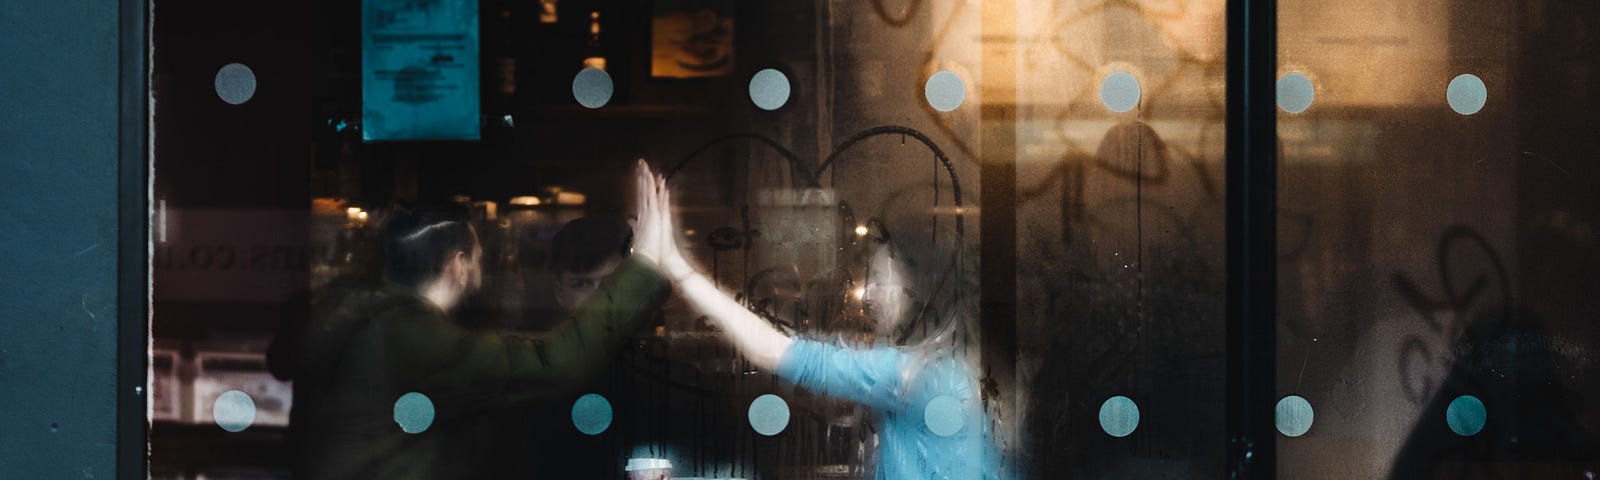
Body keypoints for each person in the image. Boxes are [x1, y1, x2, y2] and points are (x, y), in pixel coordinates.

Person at [629, 161, 1006, 479]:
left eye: (879, 280)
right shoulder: (951, 367)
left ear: (919, 290)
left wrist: (675, 266)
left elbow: (779, 353)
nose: (868, 295)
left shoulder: (910, 374)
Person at [284, 195, 672, 480]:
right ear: (459, 264)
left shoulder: (367, 318)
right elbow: (552, 365)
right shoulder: (413, 337)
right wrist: (644, 267)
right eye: (479, 252)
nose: (484, 260)